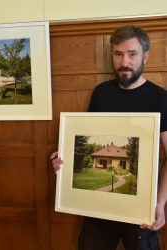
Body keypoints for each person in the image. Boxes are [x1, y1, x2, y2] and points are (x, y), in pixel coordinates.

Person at [51, 25, 167, 250]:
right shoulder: (101, 93)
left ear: (146, 56)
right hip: (99, 208)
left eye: (132, 54)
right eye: (118, 53)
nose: (124, 62)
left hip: (141, 209)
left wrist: (160, 204)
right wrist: (63, 162)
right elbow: (84, 139)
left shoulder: (160, 98)